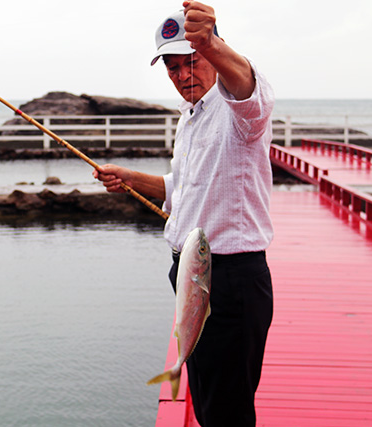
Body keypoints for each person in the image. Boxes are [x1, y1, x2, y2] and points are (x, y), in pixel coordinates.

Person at [93, 2, 274, 426]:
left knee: (227, 411)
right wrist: (132, 178)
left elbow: (248, 87)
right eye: (172, 68)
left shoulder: (238, 113)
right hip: (193, 276)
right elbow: (183, 191)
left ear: (212, 55)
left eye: (191, 61)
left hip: (230, 281)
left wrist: (210, 41)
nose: (183, 75)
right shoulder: (191, 119)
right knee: (210, 402)